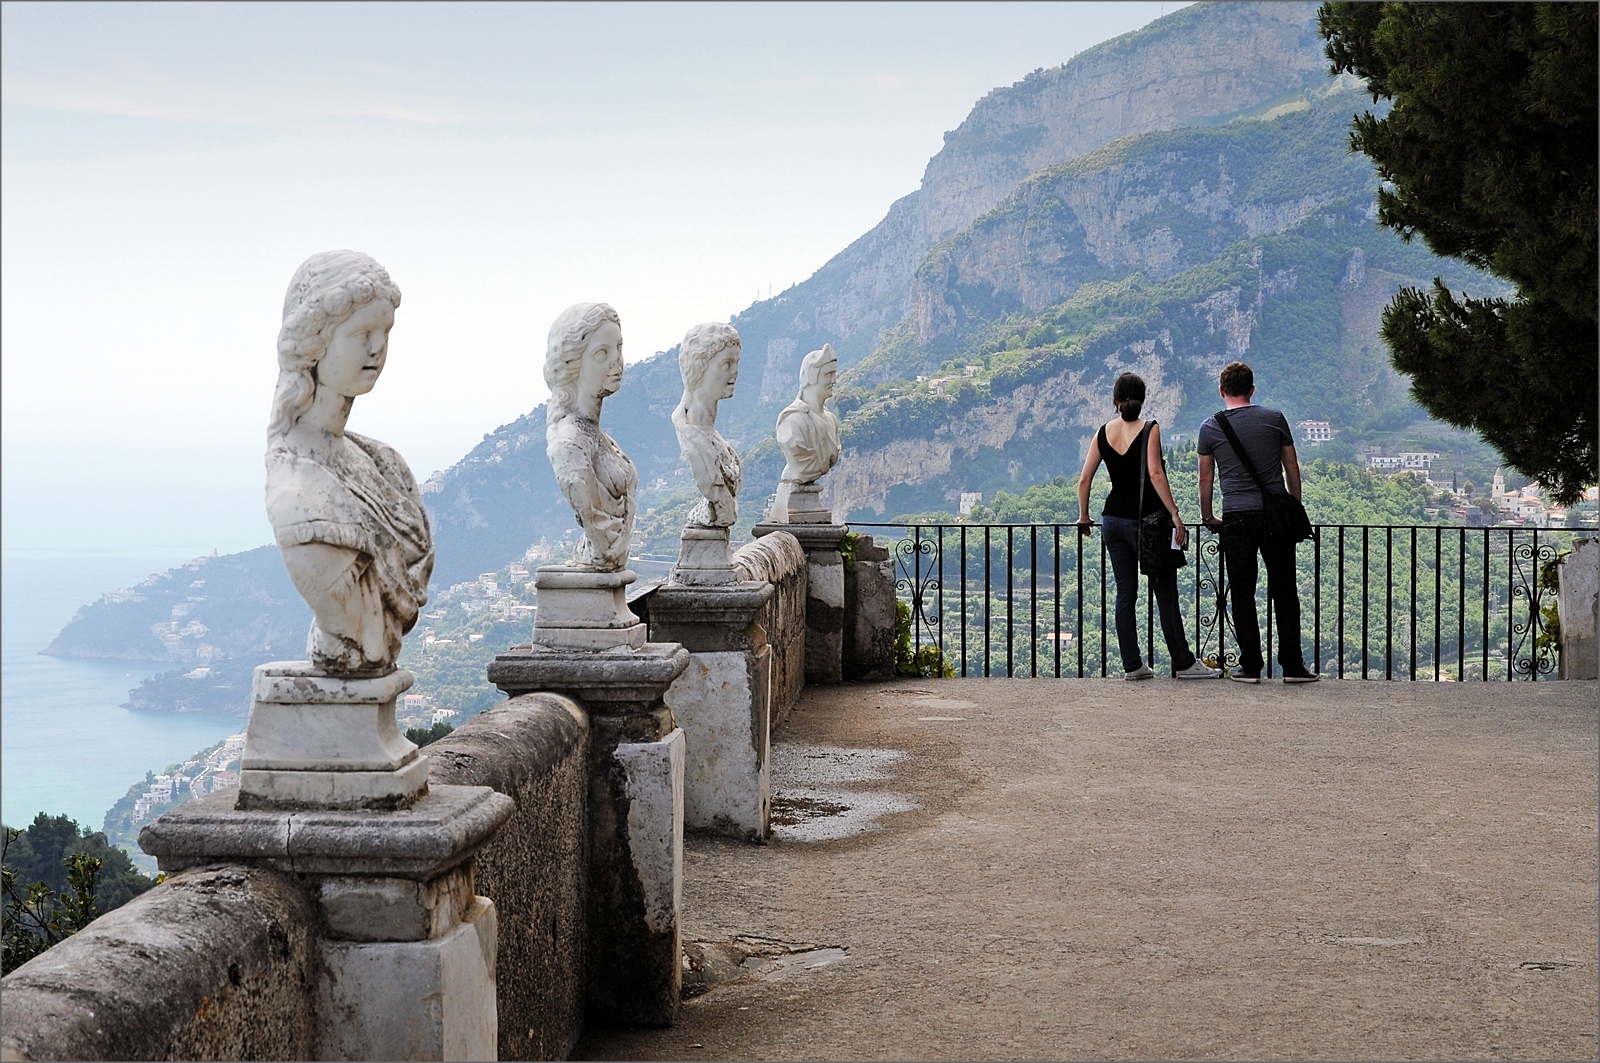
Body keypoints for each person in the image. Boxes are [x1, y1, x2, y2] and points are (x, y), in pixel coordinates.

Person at [265, 250, 433, 675]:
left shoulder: (386, 464)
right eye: (362, 333)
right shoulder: (297, 491)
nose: (378, 348)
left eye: (385, 332)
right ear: (314, 342)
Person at [1076, 372, 1220, 680]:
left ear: (1115, 400)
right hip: (1147, 524)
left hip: (1112, 521)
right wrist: (1175, 514)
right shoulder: (1150, 428)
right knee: (1165, 593)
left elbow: (1085, 478)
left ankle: (1133, 665)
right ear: (1142, 399)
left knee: (1125, 594)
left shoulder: (1102, 432)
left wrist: (1084, 516)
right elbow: (1155, 474)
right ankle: (1183, 663)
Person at [1197, 361, 1319, 683]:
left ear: (1222, 391)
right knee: (1284, 590)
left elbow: (1205, 477)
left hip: (1236, 516)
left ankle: (1251, 666)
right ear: (1252, 389)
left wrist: (1207, 515)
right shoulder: (1274, 419)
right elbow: (1292, 467)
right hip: (1274, 516)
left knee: (1242, 592)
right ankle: (1292, 666)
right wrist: (1293, 506)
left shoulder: (1210, 428)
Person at [545, 301, 637, 571]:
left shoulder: (600, 438)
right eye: (602, 353)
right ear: (573, 363)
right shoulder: (569, 443)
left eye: (619, 348)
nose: (617, 360)